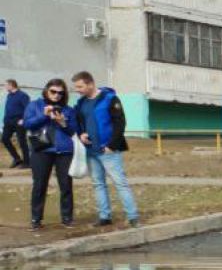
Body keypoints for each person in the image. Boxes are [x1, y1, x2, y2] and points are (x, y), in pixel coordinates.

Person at [71, 71, 140, 228]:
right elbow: (80, 122)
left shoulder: (110, 99)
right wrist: (81, 134)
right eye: (76, 87)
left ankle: (133, 216)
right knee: (98, 184)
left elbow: (120, 123)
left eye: (80, 86)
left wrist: (111, 145)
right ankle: (104, 216)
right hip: (91, 151)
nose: (77, 90)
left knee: (120, 183)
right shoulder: (81, 102)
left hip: (108, 150)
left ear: (90, 84)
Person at [23, 77, 78, 230]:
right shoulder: (34, 105)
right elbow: (27, 124)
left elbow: (74, 130)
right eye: (53, 91)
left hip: (64, 151)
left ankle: (67, 218)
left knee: (66, 185)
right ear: (46, 90)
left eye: (60, 93)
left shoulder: (68, 109)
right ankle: (36, 219)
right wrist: (44, 115)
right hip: (42, 150)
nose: (56, 95)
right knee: (40, 185)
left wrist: (63, 122)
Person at [3, 80, 28, 168]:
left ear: (11, 85)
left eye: (6, 85)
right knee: (4, 139)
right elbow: (8, 109)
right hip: (8, 122)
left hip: (19, 121)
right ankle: (17, 158)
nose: (4, 87)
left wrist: (23, 119)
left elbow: (28, 108)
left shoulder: (22, 95)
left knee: (22, 142)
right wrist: (5, 120)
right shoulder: (9, 95)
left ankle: (27, 162)